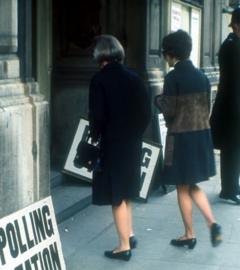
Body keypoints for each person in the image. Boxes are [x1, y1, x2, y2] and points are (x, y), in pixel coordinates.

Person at [155, 30, 222, 249]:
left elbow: (170, 113)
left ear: (171, 54)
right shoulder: (202, 76)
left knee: (182, 188)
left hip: (181, 140)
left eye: (165, 54)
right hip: (201, 136)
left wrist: (159, 101)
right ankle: (212, 222)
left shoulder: (172, 77)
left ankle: (189, 234)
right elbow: (207, 108)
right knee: (191, 183)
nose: (165, 58)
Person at [89, 35, 151, 261]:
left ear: (99, 55)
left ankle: (124, 246)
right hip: (132, 143)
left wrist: (96, 136)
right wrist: (134, 133)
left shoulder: (99, 80)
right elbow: (146, 113)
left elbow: (98, 116)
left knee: (116, 196)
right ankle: (130, 233)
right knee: (127, 191)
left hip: (112, 144)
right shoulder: (134, 78)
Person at [210, 6, 240, 206]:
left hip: (238, 105)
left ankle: (233, 185)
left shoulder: (236, 43)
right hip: (232, 108)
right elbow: (232, 82)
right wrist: (239, 110)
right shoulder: (231, 45)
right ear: (236, 25)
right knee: (232, 148)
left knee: (237, 148)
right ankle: (227, 190)